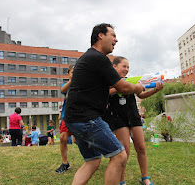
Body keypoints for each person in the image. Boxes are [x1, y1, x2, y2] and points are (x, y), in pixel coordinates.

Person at [63, 23, 145, 185]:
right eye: (113, 35)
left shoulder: (88, 58)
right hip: (87, 119)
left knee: (92, 161)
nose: (116, 39)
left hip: (73, 119)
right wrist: (137, 88)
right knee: (119, 156)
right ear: (101, 35)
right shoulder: (98, 58)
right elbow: (121, 86)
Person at [103, 56, 163, 185]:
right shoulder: (108, 81)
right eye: (124, 66)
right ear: (114, 66)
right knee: (125, 150)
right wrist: (122, 87)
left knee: (141, 147)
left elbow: (141, 94)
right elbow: (104, 94)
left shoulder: (130, 81)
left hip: (133, 116)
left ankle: (145, 177)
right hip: (117, 117)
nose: (126, 69)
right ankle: (121, 181)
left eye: (128, 67)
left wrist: (155, 90)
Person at [55, 64, 74, 174]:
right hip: (67, 116)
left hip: (80, 116)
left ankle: (93, 154)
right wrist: (72, 81)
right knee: (63, 138)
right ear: (68, 74)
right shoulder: (66, 85)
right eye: (72, 73)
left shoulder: (83, 84)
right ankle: (65, 163)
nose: (75, 75)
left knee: (78, 140)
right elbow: (63, 89)